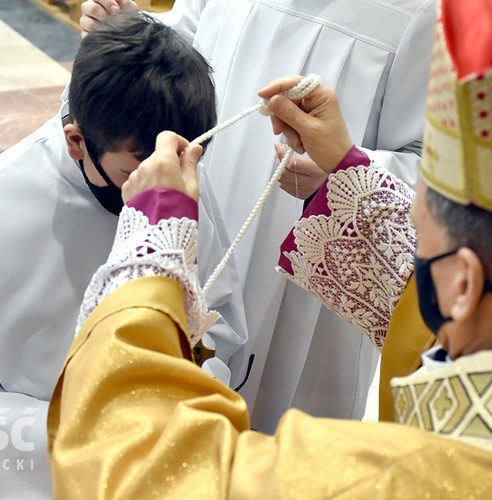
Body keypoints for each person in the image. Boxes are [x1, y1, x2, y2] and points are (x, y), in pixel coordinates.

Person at [48, 0, 492, 497]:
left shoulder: (380, 479)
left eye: (419, 205)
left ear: (463, 284)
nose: (390, 211)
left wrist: (153, 244)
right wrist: (346, 171)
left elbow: (132, 461)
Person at [0, 12, 246, 499]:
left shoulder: (173, 177)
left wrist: (181, 395)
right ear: (77, 141)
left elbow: (218, 321)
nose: (155, 198)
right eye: (130, 175)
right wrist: (75, 437)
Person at [80, 0, 437, 432]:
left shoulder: (426, 10)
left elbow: (433, 166)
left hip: (303, 268)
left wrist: (343, 171)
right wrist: (135, 36)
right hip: (201, 214)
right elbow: (190, 44)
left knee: (277, 436)